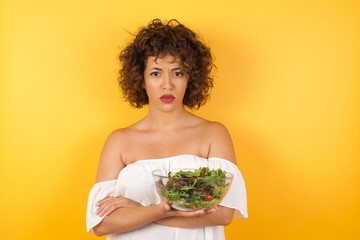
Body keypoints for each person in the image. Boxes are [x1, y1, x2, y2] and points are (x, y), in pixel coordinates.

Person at [86, 18, 247, 240]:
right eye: (155, 73)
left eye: (178, 72)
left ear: (191, 78)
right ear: (140, 79)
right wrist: (157, 209)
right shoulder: (119, 141)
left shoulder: (214, 134)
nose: (167, 84)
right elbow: (101, 224)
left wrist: (139, 209)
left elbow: (223, 214)